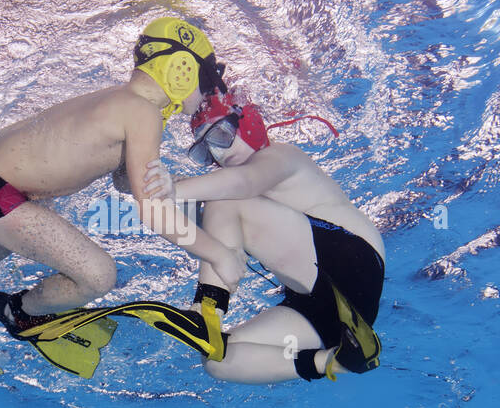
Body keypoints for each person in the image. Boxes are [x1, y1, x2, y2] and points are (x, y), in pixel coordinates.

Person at [0, 18, 244, 371]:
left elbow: (129, 183)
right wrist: (220, 255)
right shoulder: (143, 113)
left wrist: (184, 186)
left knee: (32, 210)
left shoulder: (129, 103)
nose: (208, 94)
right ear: (182, 70)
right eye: (208, 80)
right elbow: (152, 211)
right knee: (99, 276)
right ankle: (18, 314)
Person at [141, 89, 386, 384]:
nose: (218, 153)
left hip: (351, 259)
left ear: (248, 122)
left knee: (223, 198)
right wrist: (174, 204)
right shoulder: (228, 195)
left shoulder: (282, 155)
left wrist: (175, 189)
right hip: (330, 311)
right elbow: (204, 247)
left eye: (221, 134)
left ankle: (206, 310)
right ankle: (338, 361)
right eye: (205, 149)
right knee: (218, 359)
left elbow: (243, 183)